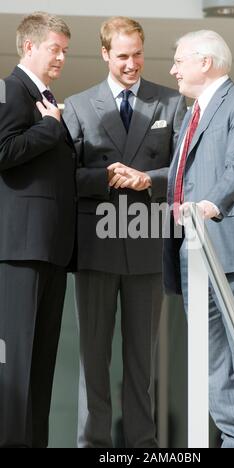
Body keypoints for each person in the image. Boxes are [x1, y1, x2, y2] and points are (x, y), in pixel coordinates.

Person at [63, 16, 186, 448]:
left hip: (148, 245)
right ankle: (92, 444)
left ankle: (142, 447)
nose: (132, 64)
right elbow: (64, 177)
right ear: (104, 55)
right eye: (122, 56)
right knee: (92, 361)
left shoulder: (170, 103)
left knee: (141, 362)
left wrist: (147, 178)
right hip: (96, 247)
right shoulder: (77, 106)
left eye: (137, 54)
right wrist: (108, 177)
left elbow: (186, 171)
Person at [163, 30, 234, 448]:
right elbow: (185, 177)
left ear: (205, 61)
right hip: (193, 253)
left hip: (231, 247)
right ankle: (232, 437)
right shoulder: (188, 113)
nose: (173, 69)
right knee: (211, 359)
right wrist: (147, 178)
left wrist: (212, 203)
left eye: (178, 60)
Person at [0, 12, 76, 447]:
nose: (62, 57)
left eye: (65, 50)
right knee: (17, 367)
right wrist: (50, 129)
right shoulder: (10, 89)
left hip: (48, 249)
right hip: (20, 249)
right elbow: (3, 150)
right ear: (29, 47)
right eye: (55, 48)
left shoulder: (45, 97)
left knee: (40, 366)